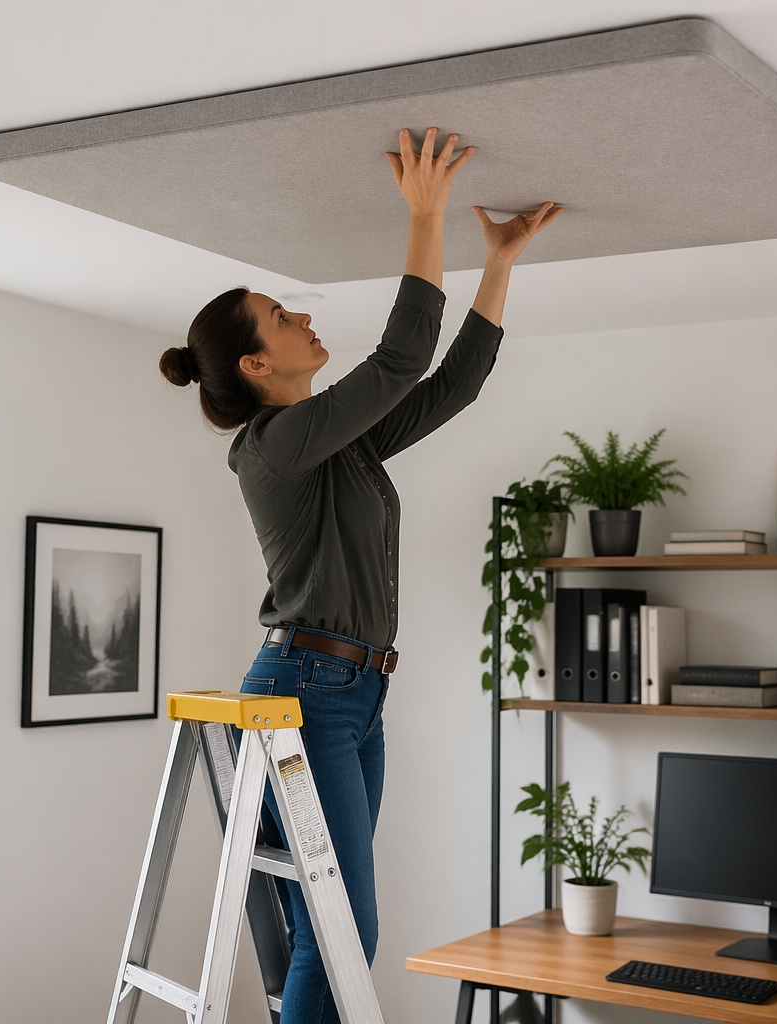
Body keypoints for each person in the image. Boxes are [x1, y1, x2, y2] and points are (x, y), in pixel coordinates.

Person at [159, 127, 562, 1024]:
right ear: (258, 366)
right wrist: (426, 216)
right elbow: (398, 359)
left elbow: (447, 384)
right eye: (282, 317)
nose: (305, 318)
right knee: (345, 928)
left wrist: (496, 263)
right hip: (306, 691)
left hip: (352, 695)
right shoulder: (273, 448)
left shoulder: (334, 444)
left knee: (326, 924)